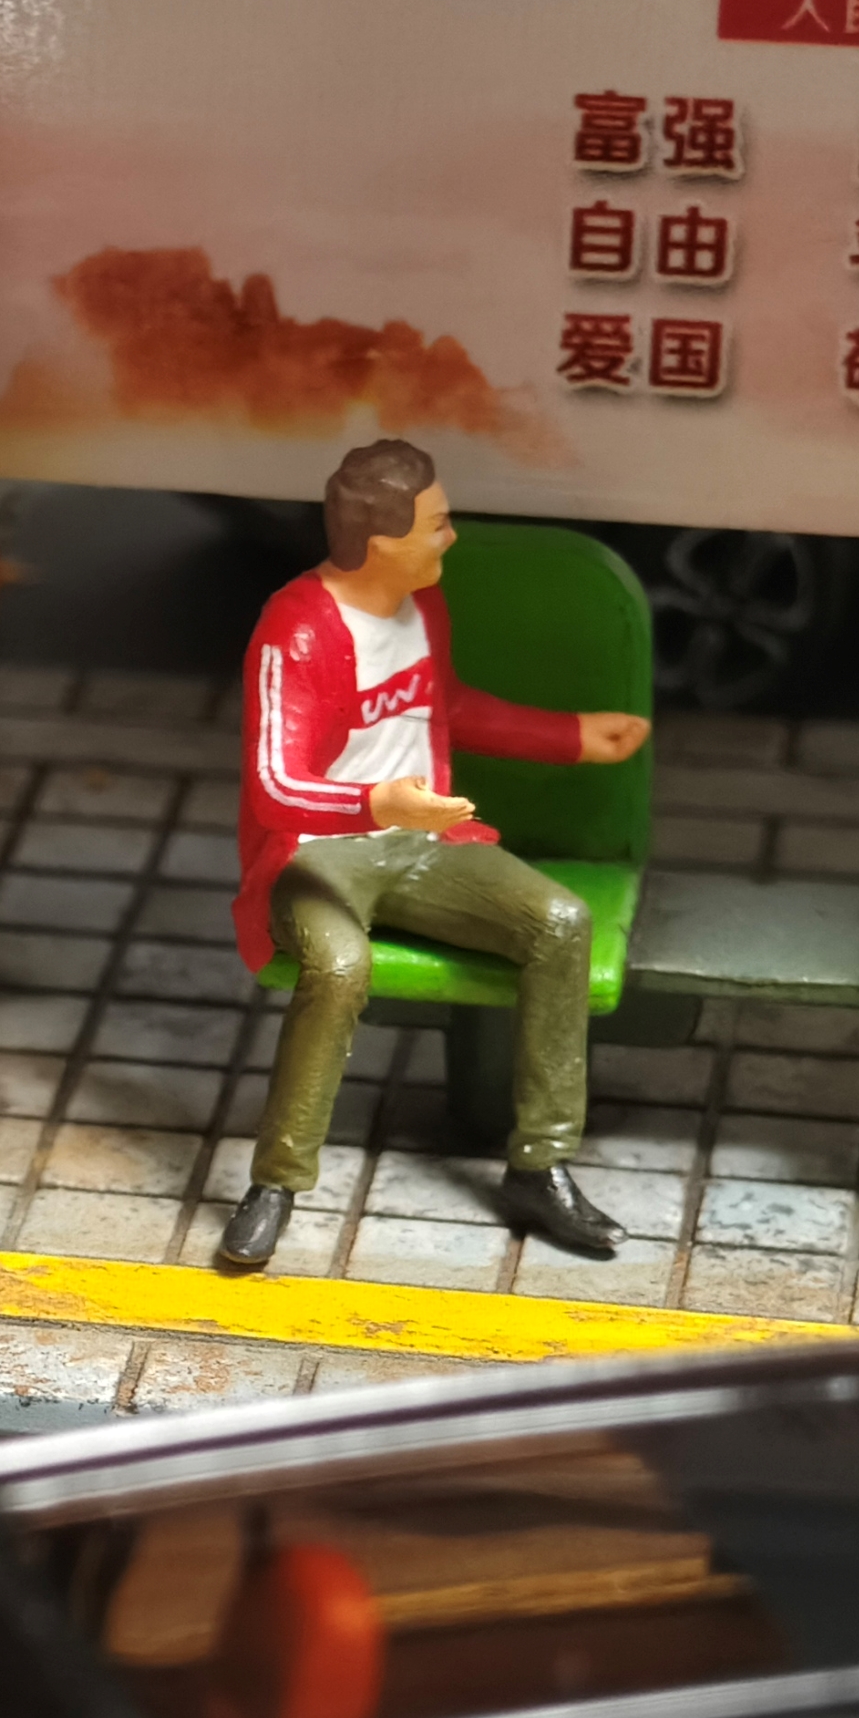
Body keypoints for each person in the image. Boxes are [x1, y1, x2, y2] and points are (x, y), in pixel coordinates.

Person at [219, 438, 650, 1272]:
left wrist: (569, 737)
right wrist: (375, 804)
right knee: (338, 966)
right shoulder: (295, 629)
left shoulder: (421, 605)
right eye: (437, 524)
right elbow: (273, 784)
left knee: (559, 922)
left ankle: (540, 1165)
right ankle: (275, 1182)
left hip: (423, 842)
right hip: (316, 857)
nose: (450, 538)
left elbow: (443, 705)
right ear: (381, 539)